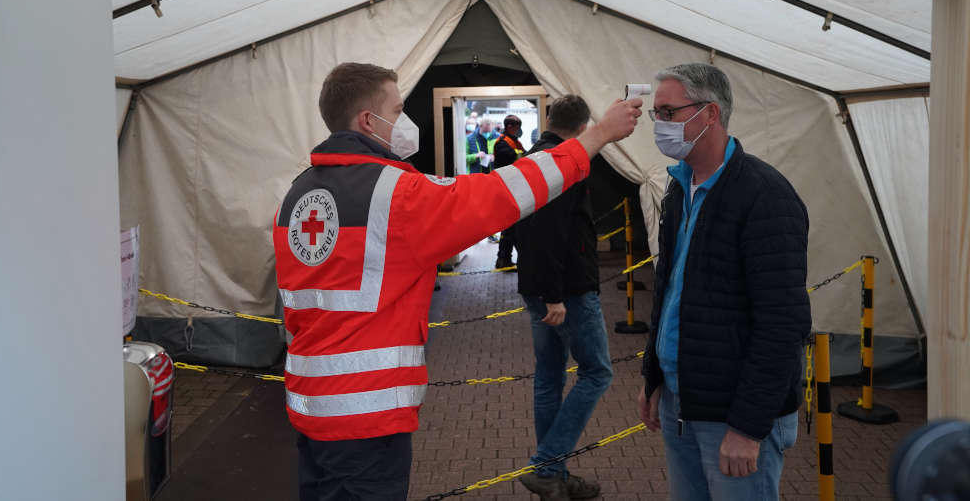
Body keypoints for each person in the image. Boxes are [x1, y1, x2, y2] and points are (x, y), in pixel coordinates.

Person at [273, 63, 643, 501]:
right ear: (368, 121)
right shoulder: (394, 194)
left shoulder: (298, 194)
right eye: (398, 109)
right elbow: (501, 193)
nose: (406, 122)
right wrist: (597, 136)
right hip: (366, 418)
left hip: (310, 408)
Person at [637, 63, 810, 501]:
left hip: (733, 414)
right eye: (656, 114)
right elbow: (669, 292)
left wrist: (748, 428)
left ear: (709, 114)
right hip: (684, 399)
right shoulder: (679, 190)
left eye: (668, 112)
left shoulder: (764, 195)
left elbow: (782, 323)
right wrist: (654, 376)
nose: (659, 124)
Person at [515, 95, 609, 501]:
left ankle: (553, 474)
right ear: (585, 127)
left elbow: (520, 227)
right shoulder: (565, 164)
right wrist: (556, 296)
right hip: (566, 291)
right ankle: (550, 463)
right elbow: (550, 233)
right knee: (597, 373)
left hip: (538, 287)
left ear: (548, 119)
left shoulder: (529, 160)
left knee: (550, 378)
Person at [493, 114, 525, 269]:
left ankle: (504, 259)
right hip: (506, 188)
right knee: (511, 226)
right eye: (518, 127)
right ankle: (505, 258)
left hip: (516, 188)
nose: (520, 130)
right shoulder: (502, 143)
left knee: (511, 226)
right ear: (510, 127)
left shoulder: (515, 142)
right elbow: (516, 157)